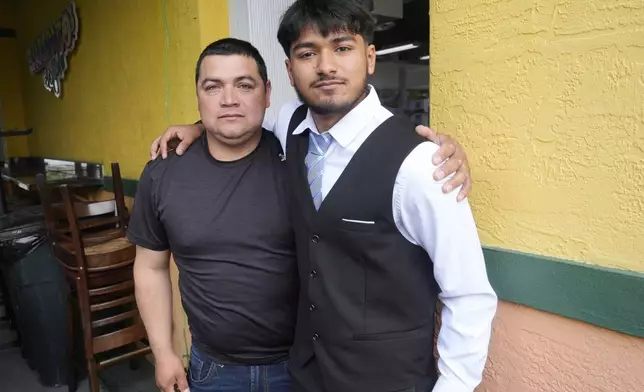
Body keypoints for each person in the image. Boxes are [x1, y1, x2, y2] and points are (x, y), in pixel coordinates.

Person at [150, 1, 498, 391]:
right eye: (307, 53)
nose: (326, 65)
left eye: (342, 47)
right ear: (289, 70)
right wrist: (198, 128)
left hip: (389, 380)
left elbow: (468, 295)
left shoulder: (423, 166)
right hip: (307, 374)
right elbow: (236, 119)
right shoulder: (290, 124)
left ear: (369, 58)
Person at [128, 39, 297, 392]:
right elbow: (150, 267)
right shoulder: (162, 173)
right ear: (198, 95)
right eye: (213, 87)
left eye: (244, 85)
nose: (229, 99)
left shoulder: (302, 159)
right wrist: (163, 353)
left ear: (267, 93)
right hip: (214, 371)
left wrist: (437, 152)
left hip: (303, 366)